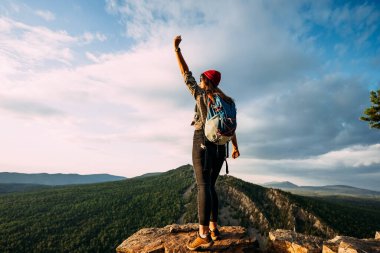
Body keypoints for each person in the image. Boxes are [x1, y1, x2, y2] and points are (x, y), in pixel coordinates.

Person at [174, 35, 240, 251]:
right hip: (222, 146)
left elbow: (186, 75)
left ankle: (203, 234)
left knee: (203, 185)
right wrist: (236, 147)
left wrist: (177, 51)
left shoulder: (202, 95)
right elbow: (232, 126)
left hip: (202, 140)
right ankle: (213, 227)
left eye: (202, 79)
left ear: (206, 81)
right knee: (211, 186)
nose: (199, 82)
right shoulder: (228, 100)